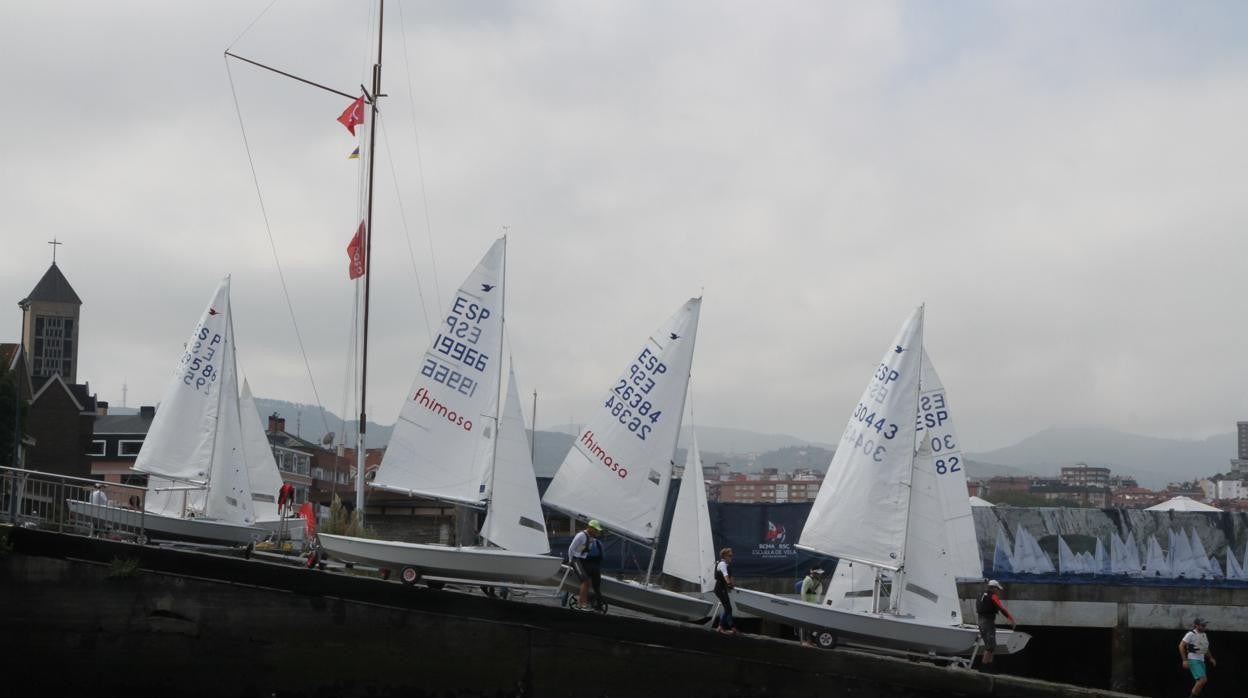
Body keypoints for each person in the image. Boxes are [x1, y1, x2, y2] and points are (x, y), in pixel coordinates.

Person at [975, 579, 1016, 671]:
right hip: (988, 622)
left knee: (990, 645)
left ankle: (990, 667)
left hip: (980, 621)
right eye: (998, 589)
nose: (998, 592)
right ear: (993, 588)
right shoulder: (993, 596)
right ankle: (984, 668)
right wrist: (1011, 620)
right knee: (990, 646)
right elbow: (1002, 609)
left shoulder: (980, 594)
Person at [567, 520, 604, 611]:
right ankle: (580, 604)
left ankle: (583, 603)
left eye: (597, 530)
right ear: (590, 528)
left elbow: (581, 549)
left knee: (588, 582)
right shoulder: (580, 536)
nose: (597, 532)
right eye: (595, 530)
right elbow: (571, 548)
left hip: (581, 560)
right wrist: (570, 560)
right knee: (585, 581)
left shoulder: (590, 537)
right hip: (575, 560)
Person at [1179, 617, 1216, 697]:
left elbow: (1205, 648)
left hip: (1201, 660)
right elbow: (1181, 645)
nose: (1204, 626)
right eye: (1202, 625)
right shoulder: (1191, 634)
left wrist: (1211, 658)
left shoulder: (1204, 635)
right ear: (1196, 625)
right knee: (1202, 680)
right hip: (1193, 659)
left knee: (1201, 682)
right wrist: (1184, 660)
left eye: (1205, 625)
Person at [712, 548, 739, 635]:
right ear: (724, 556)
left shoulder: (727, 565)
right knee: (727, 608)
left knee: (728, 608)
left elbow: (730, 577)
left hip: (723, 589)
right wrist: (728, 583)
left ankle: (733, 628)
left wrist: (732, 585)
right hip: (719, 589)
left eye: (731, 555)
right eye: (729, 555)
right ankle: (720, 627)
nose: (731, 557)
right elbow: (725, 575)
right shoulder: (722, 564)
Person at [799, 567, 825, 646]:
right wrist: (805, 604)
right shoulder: (808, 580)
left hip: (814, 606)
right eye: (818, 573)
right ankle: (803, 641)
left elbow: (818, 595)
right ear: (814, 573)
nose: (820, 575)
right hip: (807, 605)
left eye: (820, 574)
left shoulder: (818, 582)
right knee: (805, 624)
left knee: (811, 625)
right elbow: (803, 593)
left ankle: (809, 641)